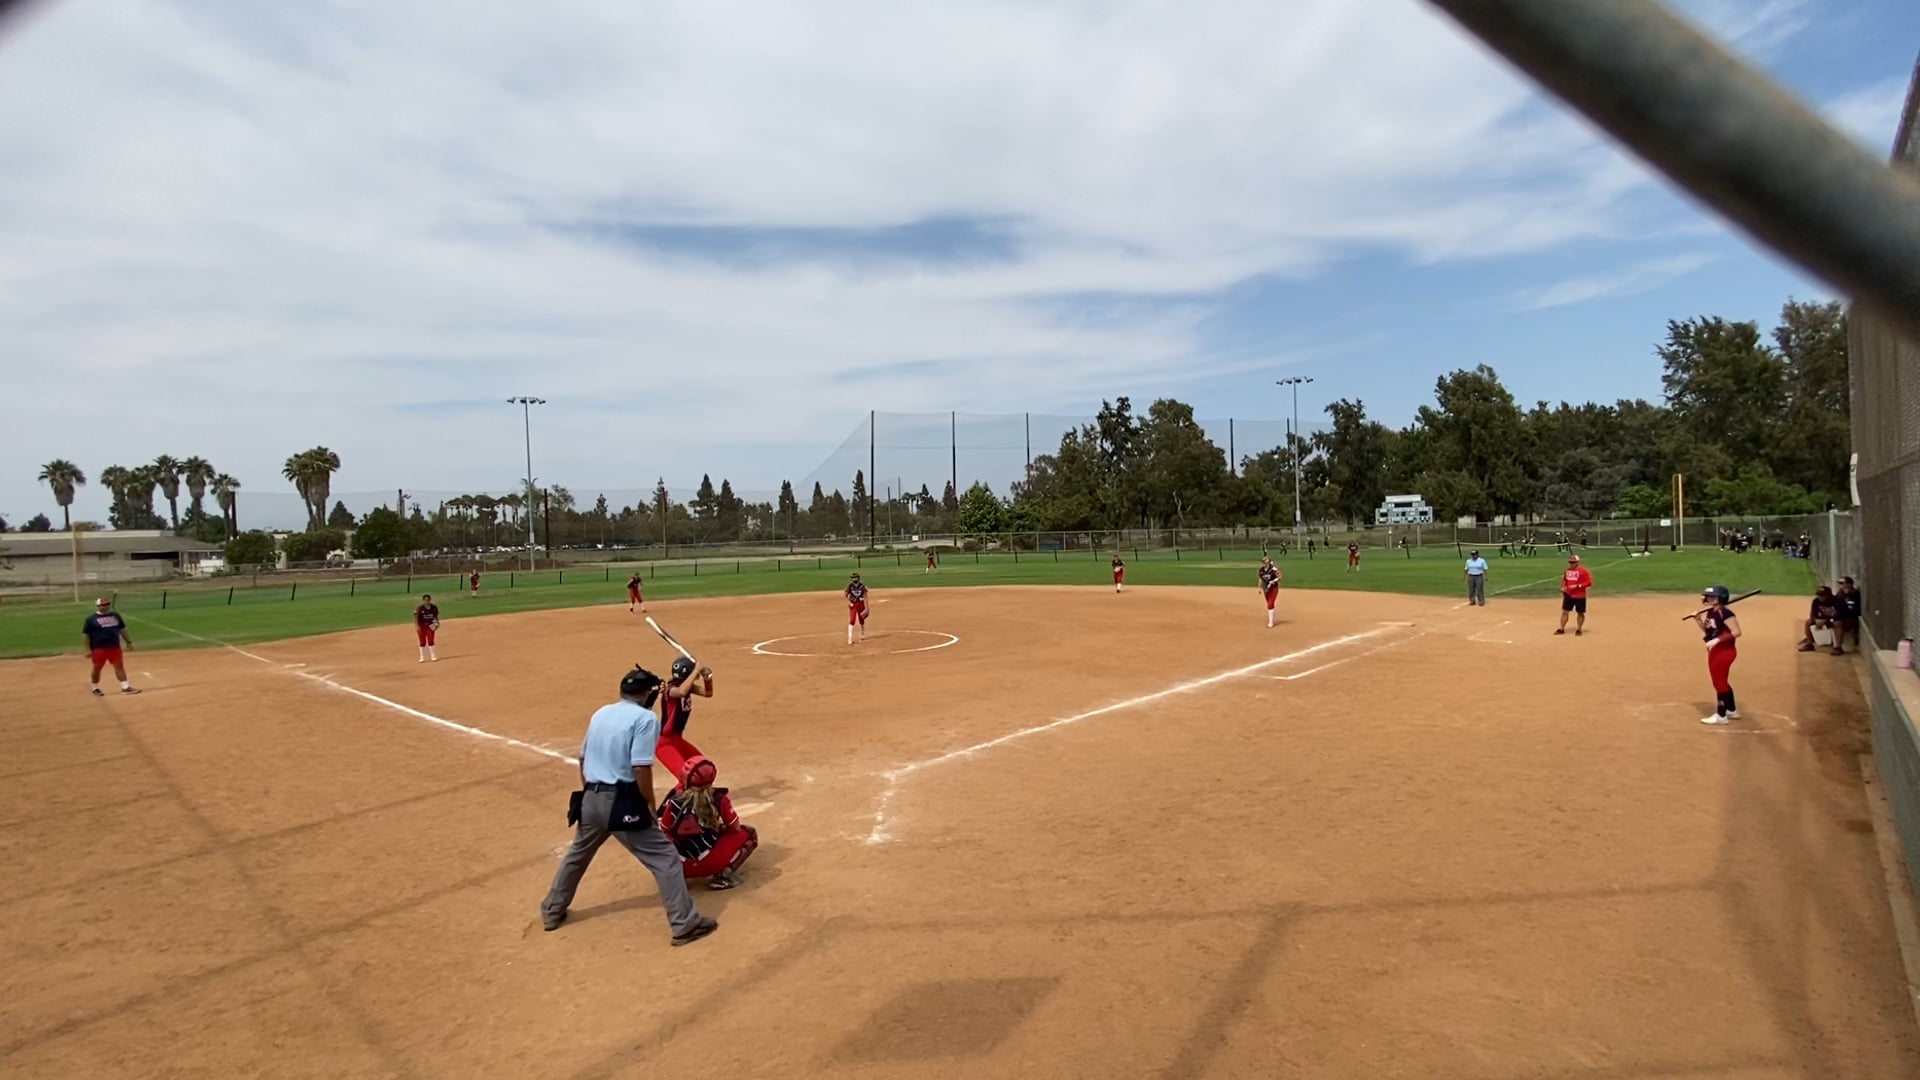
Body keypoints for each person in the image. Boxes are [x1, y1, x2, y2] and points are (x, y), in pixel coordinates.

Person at [540, 665, 717, 944]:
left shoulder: (601, 712)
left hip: (590, 797)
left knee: (578, 855)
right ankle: (684, 924)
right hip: (621, 801)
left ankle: (551, 911)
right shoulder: (645, 718)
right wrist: (649, 804)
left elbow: (583, 759)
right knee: (666, 858)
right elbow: (640, 767)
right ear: (646, 694)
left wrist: (590, 792)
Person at [658, 755, 759, 891]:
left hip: (680, 867)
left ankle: (675, 879)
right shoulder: (718, 799)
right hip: (710, 864)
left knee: (660, 841)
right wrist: (718, 828)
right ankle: (723, 877)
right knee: (750, 833)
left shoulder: (674, 801)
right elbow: (734, 828)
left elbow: (664, 831)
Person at [655, 656, 713, 783]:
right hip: (665, 744)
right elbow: (681, 692)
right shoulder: (670, 690)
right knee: (687, 778)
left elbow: (708, 693)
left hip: (677, 740)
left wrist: (707, 678)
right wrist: (696, 669)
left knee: (703, 769)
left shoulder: (687, 687)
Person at [1696, 585, 1743, 725]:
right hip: (1715, 650)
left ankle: (1721, 716)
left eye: (1713, 596)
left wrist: (1717, 640)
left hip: (1725, 651)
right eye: (1708, 596)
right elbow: (1709, 631)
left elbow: (1737, 632)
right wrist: (1698, 620)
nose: (1709, 598)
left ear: (1721, 598)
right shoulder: (1711, 612)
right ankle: (1731, 710)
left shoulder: (1726, 613)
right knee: (1721, 682)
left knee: (1719, 683)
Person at [83, 597, 139, 697]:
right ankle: (95, 688)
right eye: (103, 605)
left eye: (107, 604)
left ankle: (125, 687)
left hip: (115, 647)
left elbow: (122, 629)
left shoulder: (115, 616)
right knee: (97, 667)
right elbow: (86, 635)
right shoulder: (91, 619)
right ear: (98, 606)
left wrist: (128, 642)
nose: (106, 606)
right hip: (98, 648)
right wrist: (87, 649)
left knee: (119, 666)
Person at [1554, 553, 1592, 637]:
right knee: (1565, 612)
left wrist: (1578, 586)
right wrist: (1563, 587)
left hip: (1580, 595)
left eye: (1573, 562)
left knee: (1580, 613)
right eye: (1570, 562)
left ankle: (1579, 629)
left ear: (1577, 562)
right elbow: (1564, 580)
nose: (1571, 564)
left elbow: (1589, 582)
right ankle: (1561, 628)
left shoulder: (1583, 571)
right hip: (1568, 595)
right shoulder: (1567, 571)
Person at [1799, 586, 1839, 653]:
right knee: (1808, 622)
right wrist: (1815, 620)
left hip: (1834, 619)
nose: (1820, 597)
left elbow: (1841, 614)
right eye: (1819, 595)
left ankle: (1837, 647)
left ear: (1828, 595)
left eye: (1822, 595)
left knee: (1837, 623)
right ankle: (1809, 644)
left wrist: (1827, 620)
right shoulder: (1816, 601)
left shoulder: (1837, 601)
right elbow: (1813, 614)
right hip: (1821, 620)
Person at [1835, 577, 1863, 655]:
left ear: (1849, 584)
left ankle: (1838, 647)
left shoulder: (1854, 593)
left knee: (1838, 623)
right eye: (1839, 583)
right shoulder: (1840, 593)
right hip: (1841, 617)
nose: (1840, 585)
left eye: (1842, 583)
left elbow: (1852, 610)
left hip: (1850, 618)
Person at [414, 594, 440, 662]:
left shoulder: (434, 608)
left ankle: (433, 656)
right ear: (423, 600)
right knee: (422, 642)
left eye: (428, 600)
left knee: (431, 640)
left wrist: (437, 623)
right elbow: (416, 617)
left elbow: (435, 616)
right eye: (425, 600)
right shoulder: (420, 608)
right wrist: (417, 626)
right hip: (421, 626)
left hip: (430, 626)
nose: (427, 601)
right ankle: (422, 657)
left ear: (430, 600)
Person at [845, 572, 870, 644]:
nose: (854, 579)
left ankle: (862, 633)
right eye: (853, 578)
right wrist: (849, 601)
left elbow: (865, 596)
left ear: (858, 578)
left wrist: (867, 607)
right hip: (853, 605)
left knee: (861, 618)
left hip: (861, 604)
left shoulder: (862, 586)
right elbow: (846, 594)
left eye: (856, 577)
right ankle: (850, 638)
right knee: (852, 620)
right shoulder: (850, 586)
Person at [1258, 556, 1282, 628]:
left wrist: (1273, 581)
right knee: (1269, 603)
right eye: (1263, 562)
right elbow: (1260, 579)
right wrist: (1259, 588)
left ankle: (1271, 622)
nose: (1264, 563)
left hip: (1273, 588)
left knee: (1270, 603)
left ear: (1268, 562)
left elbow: (1279, 577)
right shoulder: (1261, 570)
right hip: (1266, 588)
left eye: (1265, 562)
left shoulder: (1273, 569)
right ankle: (1272, 619)